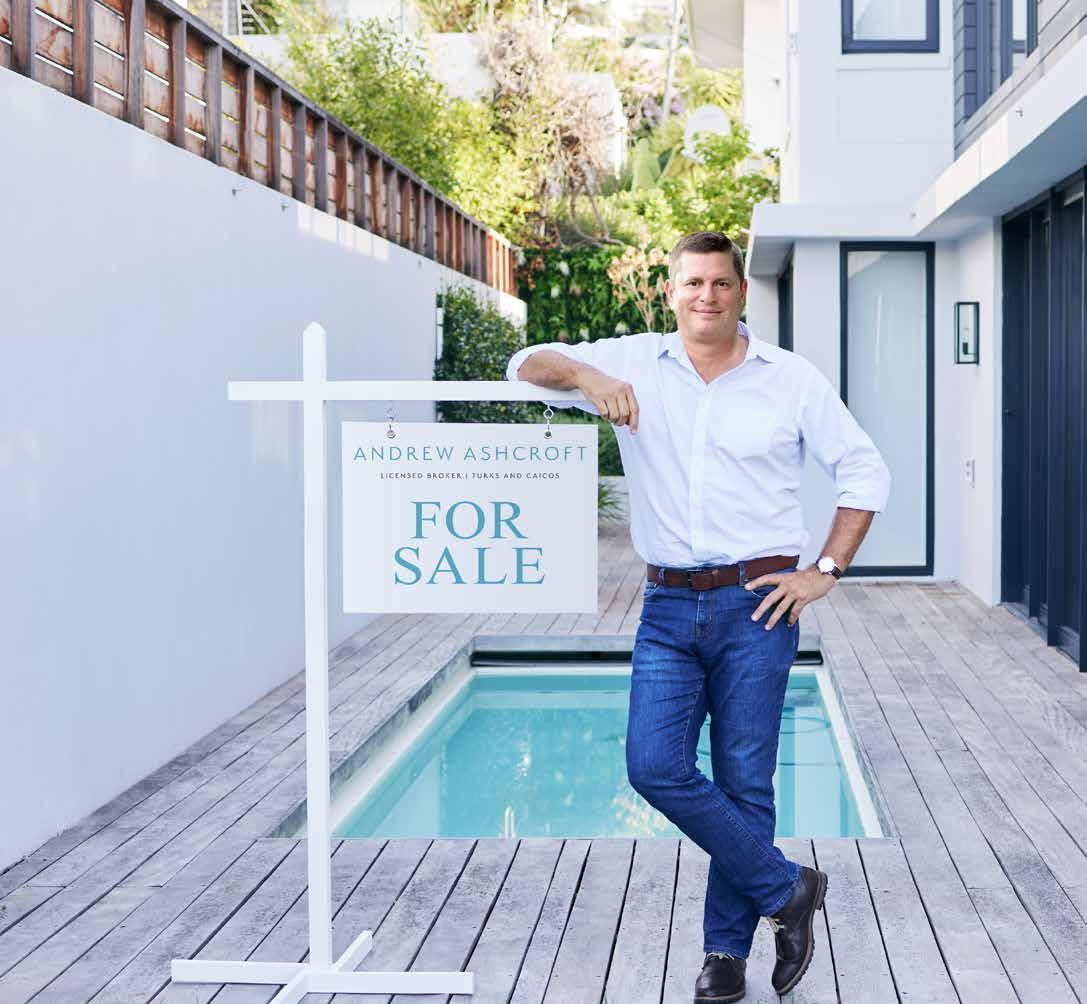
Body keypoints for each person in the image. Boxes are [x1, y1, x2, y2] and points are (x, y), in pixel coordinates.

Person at [504, 231, 891, 1002]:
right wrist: (584, 373)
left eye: (719, 283)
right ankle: (786, 889)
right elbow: (523, 365)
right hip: (666, 604)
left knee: (744, 779)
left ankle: (724, 956)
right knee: (653, 767)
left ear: (740, 292)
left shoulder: (790, 378)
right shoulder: (632, 360)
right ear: (670, 291)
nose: (705, 296)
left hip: (758, 602)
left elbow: (863, 471)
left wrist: (823, 571)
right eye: (691, 283)